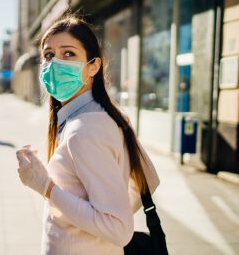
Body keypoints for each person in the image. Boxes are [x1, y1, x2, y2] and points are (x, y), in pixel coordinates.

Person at [15, 15, 160, 254]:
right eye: (49, 55)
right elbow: (148, 179)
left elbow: (118, 229)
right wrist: (96, 218)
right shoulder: (103, 115)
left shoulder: (85, 129)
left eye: (69, 53)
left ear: (93, 66)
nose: (55, 64)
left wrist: (44, 185)